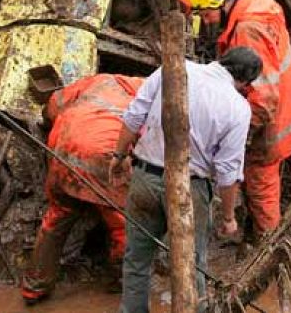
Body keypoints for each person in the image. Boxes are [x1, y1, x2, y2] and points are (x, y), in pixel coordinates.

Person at [111, 47, 261, 313]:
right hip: (191, 189)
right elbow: (228, 170)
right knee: (191, 266)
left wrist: (119, 155)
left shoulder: (173, 68)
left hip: (146, 176)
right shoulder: (238, 106)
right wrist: (228, 217)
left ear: (222, 60)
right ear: (245, 82)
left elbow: (134, 115)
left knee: (136, 259)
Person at [178, 0, 291, 237]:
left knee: (263, 188)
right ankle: (257, 234)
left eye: (206, 15)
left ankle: (267, 253)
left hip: (271, 125)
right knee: (260, 184)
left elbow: (263, 97)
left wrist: (239, 134)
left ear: (221, 3)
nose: (206, 23)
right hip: (287, 111)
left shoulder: (248, 29)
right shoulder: (252, 4)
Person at [20, 73, 144, 305]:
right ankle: (120, 280)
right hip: (102, 157)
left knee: (57, 218)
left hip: (62, 147)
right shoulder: (147, 101)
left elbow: (53, 104)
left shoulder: (100, 81)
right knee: (123, 222)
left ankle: (34, 287)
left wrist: (49, 124)